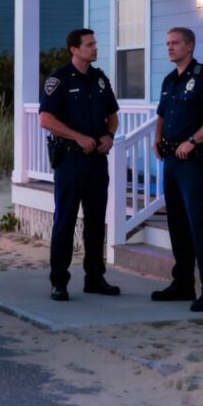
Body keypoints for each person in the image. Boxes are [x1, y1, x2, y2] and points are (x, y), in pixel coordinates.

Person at [39, 28, 121, 301]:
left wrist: (109, 135)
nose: (95, 48)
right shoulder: (59, 79)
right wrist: (78, 137)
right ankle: (59, 281)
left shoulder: (99, 79)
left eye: (95, 43)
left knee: (96, 222)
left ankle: (95, 278)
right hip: (71, 160)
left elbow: (112, 115)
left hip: (97, 160)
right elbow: (46, 119)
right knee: (65, 220)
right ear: (74, 49)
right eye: (89, 44)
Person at [152, 27, 203, 312]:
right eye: (167, 43)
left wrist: (193, 140)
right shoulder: (170, 80)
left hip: (194, 161)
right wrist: (156, 139)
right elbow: (161, 113)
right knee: (177, 225)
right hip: (171, 160)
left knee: (200, 225)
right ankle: (183, 284)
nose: (170, 48)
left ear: (190, 46)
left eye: (175, 43)